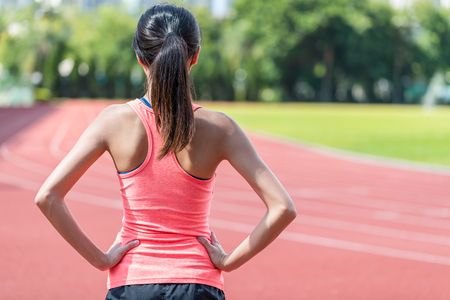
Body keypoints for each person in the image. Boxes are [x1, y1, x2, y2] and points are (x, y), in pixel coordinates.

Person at [35, 4, 297, 300]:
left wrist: (101, 259)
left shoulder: (114, 121)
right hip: (198, 284)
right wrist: (227, 261)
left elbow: (48, 197)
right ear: (195, 56)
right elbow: (283, 208)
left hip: (132, 283)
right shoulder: (221, 128)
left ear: (139, 57)